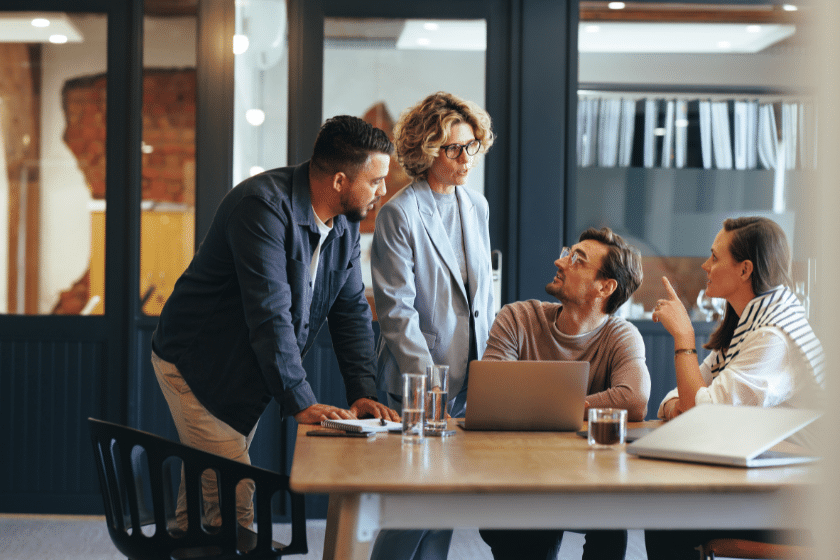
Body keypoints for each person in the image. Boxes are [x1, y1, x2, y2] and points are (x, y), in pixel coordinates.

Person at [151, 115, 400, 532]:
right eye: (375, 180)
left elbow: (351, 311)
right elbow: (270, 313)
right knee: (234, 502)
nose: (383, 191)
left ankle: (188, 540)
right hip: (196, 364)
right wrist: (301, 401)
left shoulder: (344, 224)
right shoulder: (261, 208)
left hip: (245, 366)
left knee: (204, 501)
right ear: (340, 181)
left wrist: (362, 393)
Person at [645, 216, 824, 560]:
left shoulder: (773, 338)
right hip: (771, 478)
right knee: (665, 508)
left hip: (802, 503)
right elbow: (682, 397)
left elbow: (702, 413)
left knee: (666, 513)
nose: (704, 265)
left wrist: (684, 336)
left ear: (745, 270)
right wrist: (683, 406)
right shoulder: (749, 325)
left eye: (714, 257)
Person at [369, 91, 496, 560]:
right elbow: (396, 312)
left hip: (472, 379)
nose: (466, 158)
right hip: (418, 384)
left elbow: (484, 296)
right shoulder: (399, 213)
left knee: (444, 506)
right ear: (426, 151)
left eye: (471, 146)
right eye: (454, 149)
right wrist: (431, 389)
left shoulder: (477, 206)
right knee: (414, 507)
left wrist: (493, 367)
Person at [478, 226, 650, 560]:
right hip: (520, 476)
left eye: (577, 260)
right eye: (566, 254)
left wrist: (539, 406)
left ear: (605, 287)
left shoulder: (622, 335)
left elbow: (633, 399)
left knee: (613, 515)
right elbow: (492, 395)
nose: (560, 262)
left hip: (590, 480)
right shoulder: (518, 318)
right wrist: (574, 407)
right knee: (526, 528)